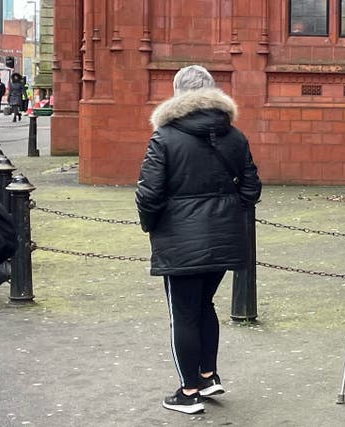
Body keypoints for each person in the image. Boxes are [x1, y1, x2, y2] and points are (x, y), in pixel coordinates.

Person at [135, 65, 262, 414]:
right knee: (205, 305)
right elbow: (252, 189)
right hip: (224, 237)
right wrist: (226, 212)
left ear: (178, 93)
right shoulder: (234, 136)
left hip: (180, 239)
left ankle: (189, 391)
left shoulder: (164, 137)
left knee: (184, 313)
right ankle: (207, 375)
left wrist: (151, 226)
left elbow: (149, 194)